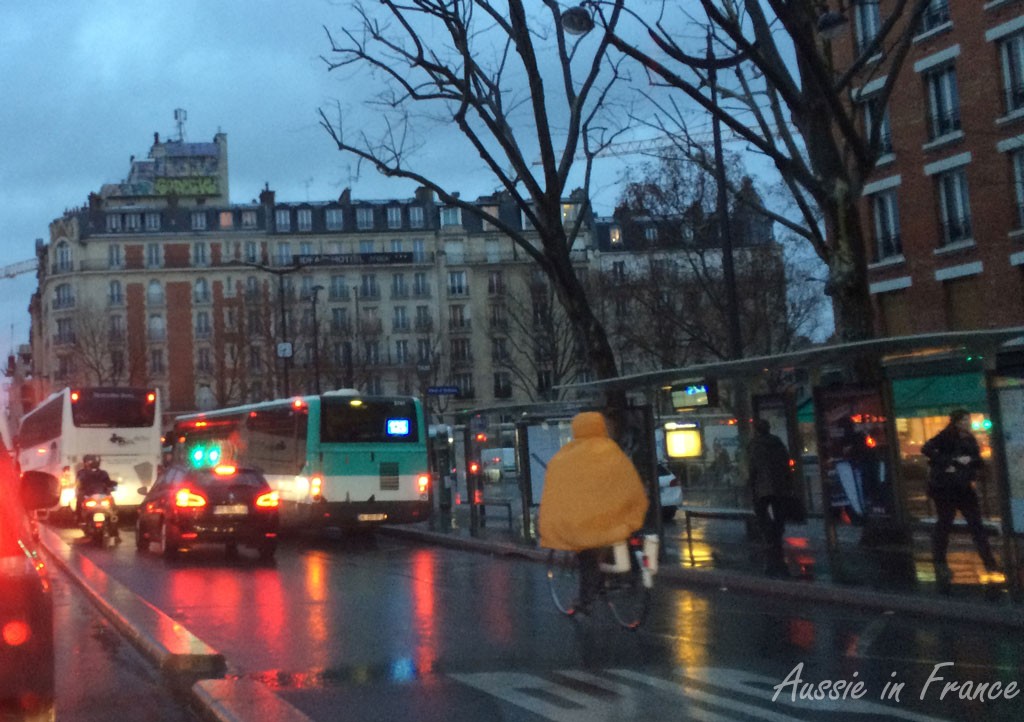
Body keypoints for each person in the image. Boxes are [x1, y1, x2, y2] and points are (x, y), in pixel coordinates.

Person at [538, 411, 649, 612]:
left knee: (586, 555)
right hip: (614, 516)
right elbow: (628, 482)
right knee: (619, 537)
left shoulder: (566, 456)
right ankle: (628, 575)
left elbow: (559, 487)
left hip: (588, 521)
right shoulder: (612, 450)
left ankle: (585, 599)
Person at [921, 409, 1000, 587]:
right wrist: (953, 461)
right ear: (957, 422)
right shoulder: (946, 436)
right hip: (946, 487)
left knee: (974, 523)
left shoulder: (968, 438)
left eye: (968, 420)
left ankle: (988, 561)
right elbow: (927, 449)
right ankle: (940, 558)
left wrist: (972, 463)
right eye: (965, 420)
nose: (968, 423)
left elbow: (976, 459)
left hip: (963, 486)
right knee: (946, 522)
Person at [747, 418, 795, 578]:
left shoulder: (754, 445)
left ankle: (769, 536)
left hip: (762, 487)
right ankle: (777, 533)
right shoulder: (778, 442)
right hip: (779, 485)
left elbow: (752, 467)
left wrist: (751, 484)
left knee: (761, 512)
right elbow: (786, 463)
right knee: (779, 512)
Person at [76, 454, 120, 541]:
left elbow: (108, 482)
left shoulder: (103, 473)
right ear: (85, 462)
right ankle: (79, 519)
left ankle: (115, 530)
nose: (91, 463)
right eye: (89, 461)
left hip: (102, 495)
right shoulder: (82, 473)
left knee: (113, 506)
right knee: (79, 500)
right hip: (88, 495)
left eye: (93, 461)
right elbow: (79, 483)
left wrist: (112, 487)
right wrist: (81, 490)